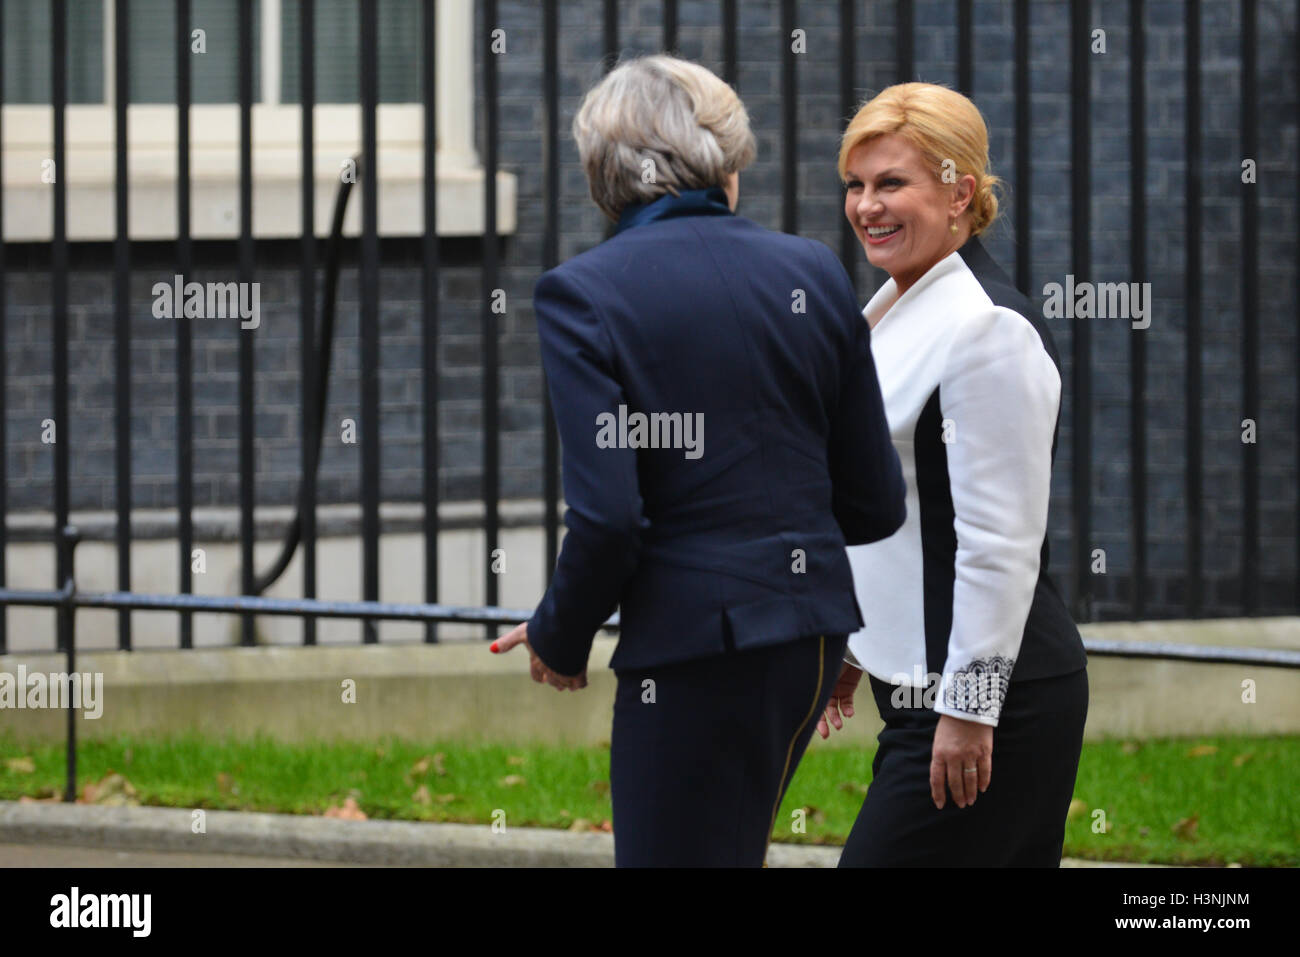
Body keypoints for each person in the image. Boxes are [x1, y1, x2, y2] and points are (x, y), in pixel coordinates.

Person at [492, 55, 906, 867]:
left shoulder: (584, 293)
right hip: (808, 642)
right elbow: (874, 502)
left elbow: (610, 517)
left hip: (694, 656)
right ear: (720, 161)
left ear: (604, 172)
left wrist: (559, 634)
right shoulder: (814, 271)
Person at [817, 82, 1089, 866]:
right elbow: (893, 509)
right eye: (857, 185)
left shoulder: (986, 327)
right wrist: (857, 650)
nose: (868, 205)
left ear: (959, 191)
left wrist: (971, 712)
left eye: (891, 183)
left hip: (993, 703)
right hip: (924, 694)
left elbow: (1001, 541)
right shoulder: (895, 306)